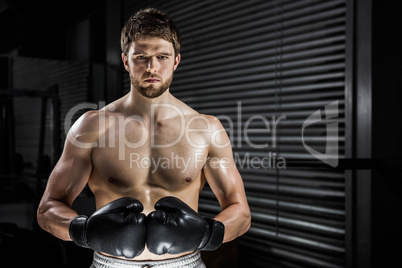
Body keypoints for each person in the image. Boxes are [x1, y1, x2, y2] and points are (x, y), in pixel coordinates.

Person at [37, 8, 251, 268]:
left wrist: (207, 234)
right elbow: (48, 209)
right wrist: (83, 231)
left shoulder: (206, 129)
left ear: (176, 61)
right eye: (141, 57)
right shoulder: (91, 127)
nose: (152, 67)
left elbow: (240, 212)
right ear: (126, 61)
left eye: (162, 56)